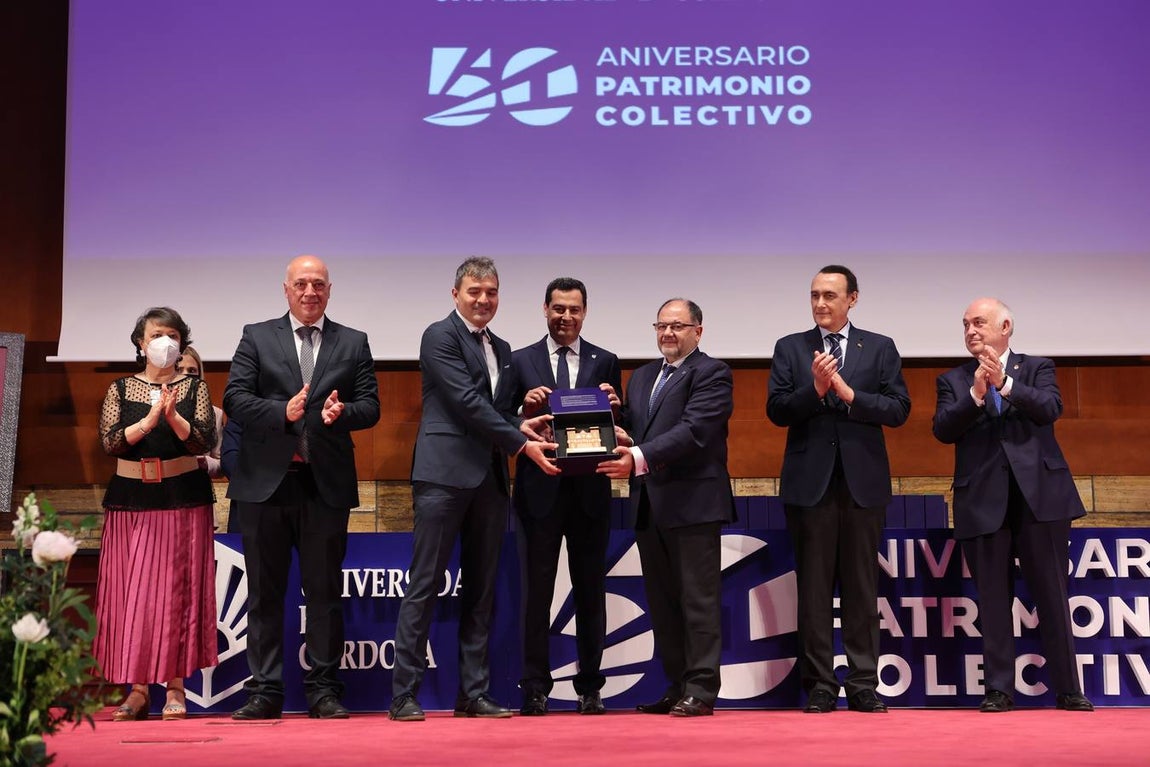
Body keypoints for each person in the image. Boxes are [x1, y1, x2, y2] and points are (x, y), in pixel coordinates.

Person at [389, 257, 559, 722]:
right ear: (456, 295)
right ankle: (403, 695)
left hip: (489, 478)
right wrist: (521, 443)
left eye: (491, 292)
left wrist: (522, 423)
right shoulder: (438, 336)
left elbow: (494, 410)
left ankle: (474, 692)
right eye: (474, 292)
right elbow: (465, 402)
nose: (483, 300)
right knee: (424, 585)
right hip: (443, 477)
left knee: (482, 590)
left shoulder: (502, 347)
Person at [223, 255, 380, 720]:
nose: (310, 292)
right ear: (286, 289)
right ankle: (264, 692)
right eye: (301, 284)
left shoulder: (353, 341)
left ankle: (324, 690)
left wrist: (342, 413)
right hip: (265, 485)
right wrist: (282, 412)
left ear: (329, 290)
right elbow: (235, 397)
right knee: (264, 594)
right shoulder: (256, 336)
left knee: (325, 594)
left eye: (318, 284)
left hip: (324, 485)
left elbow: (371, 406)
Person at [932, 297, 1093, 713]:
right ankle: (999, 689)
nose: (971, 331)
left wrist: (1004, 383)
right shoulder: (953, 380)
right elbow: (943, 429)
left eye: (979, 322)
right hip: (982, 501)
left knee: (1052, 596)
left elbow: (1050, 409)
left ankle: (1068, 689)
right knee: (992, 599)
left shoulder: (1037, 368)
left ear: (1005, 327)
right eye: (965, 324)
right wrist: (976, 394)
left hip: (1041, 499)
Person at [766, 265, 910, 714]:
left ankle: (863, 683)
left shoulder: (880, 347)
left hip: (863, 484)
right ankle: (820, 686)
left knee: (862, 589)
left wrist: (849, 395)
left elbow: (898, 409)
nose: (820, 303)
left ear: (853, 298)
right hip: (810, 485)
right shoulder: (790, 347)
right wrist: (815, 389)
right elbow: (776, 410)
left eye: (829, 295)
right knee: (812, 591)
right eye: (814, 295)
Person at [598, 298, 734, 718]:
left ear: (698, 331)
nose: (668, 333)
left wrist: (637, 457)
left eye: (678, 326)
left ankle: (701, 689)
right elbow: (639, 432)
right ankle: (677, 685)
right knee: (663, 602)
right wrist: (614, 418)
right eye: (661, 326)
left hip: (694, 505)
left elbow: (694, 431)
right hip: (649, 505)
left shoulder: (712, 373)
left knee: (697, 601)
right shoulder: (642, 377)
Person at [94, 306, 218, 721]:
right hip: (131, 499)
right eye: (156, 335)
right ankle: (137, 689)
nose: (164, 343)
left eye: (172, 336)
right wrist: (149, 420)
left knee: (175, 594)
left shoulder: (194, 388)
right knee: (132, 595)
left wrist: (173, 416)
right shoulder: (120, 389)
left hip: (182, 497)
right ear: (140, 343)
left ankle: (175, 687)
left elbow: (202, 440)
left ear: (182, 342)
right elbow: (110, 442)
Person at [511, 277, 622, 716]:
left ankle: (590, 687)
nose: (566, 317)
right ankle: (535, 687)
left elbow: (619, 424)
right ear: (545, 309)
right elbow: (501, 419)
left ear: (585, 312)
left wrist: (615, 408)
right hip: (539, 491)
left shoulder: (605, 360)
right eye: (559, 308)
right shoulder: (520, 360)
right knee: (536, 594)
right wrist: (522, 410)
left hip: (590, 492)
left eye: (574, 309)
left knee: (590, 591)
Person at [175, 345, 225, 478]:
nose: (185, 375)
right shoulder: (154, 409)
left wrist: (207, 462)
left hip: (197, 483)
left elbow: (221, 465)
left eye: (192, 370)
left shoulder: (215, 413)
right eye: (179, 369)